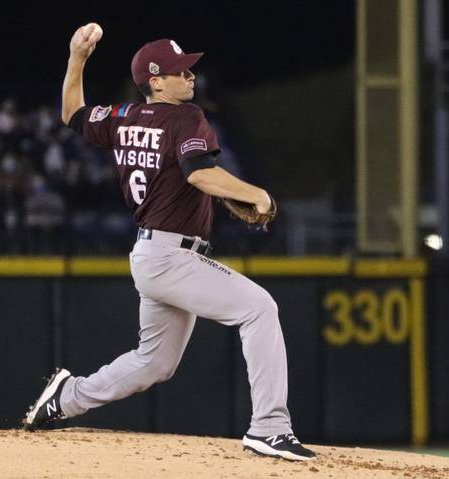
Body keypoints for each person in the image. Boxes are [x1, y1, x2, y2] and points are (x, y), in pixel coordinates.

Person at [22, 25, 316, 462]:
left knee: (154, 363)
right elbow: (199, 173)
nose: (190, 76)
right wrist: (255, 192)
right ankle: (269, 428)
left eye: (189, 69)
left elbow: (72, 113)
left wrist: (76, 58)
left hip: (151, 254)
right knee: (259, 308)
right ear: (155, 80)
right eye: (180, 71)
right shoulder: (186, 117)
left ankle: (66, 397)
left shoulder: (122, 117)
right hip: (172, 256)